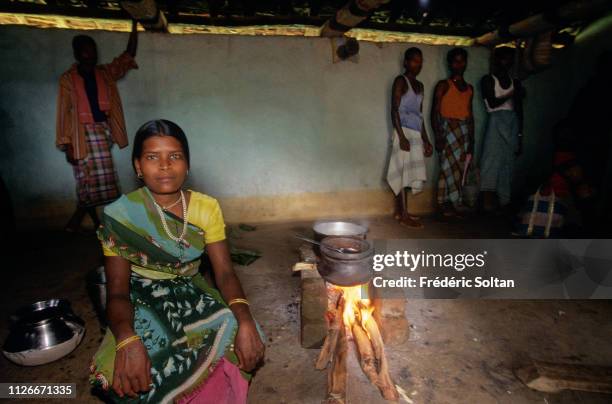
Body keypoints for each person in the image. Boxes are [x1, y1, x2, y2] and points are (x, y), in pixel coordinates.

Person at [89, 120, 265, 403]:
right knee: (128, 367)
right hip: (141, 295)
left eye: (175, 156)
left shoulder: (206, 207)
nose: (164, 165)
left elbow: (225, 274)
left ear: (187, 164)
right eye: (152, 157)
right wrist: (126, 338)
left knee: (244, 332)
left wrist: (244, 318)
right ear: (137, 166)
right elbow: (118, 291)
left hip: (190, 286)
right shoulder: (120, 215)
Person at [56, 21, 138, 232]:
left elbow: (127, 56)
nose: (90, 55)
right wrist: (67, 145)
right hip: (79, 136)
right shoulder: (68, 79)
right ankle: (93, 222)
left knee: (104, 181)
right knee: (87, 182)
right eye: (85, 51)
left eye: (93, 51)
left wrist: (135, 25)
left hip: (101, 132)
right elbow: (64, 112)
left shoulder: (105, 73)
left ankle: (93, 222)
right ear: (77, 54)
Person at [387, 47, 433, 228]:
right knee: (401, 172)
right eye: (414, 60)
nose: (418, 64)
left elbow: (420, 116)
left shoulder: (420, 86)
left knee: (409, 173)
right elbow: (394, 110)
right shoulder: (400, 81)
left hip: (415, 132)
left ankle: (401, 212)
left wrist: (426, 139)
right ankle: (403, 214)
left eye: (420, 61)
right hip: (403, 132)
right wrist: (401, 136)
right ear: (406, 62)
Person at [479, 46, 524, 214]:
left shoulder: (515, 82)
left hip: (512, 124)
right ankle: (487, 202)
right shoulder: (488, 80)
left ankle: (504, 202)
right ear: (497, 60)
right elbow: (492, 104)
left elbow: (519, 111)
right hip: (496, 122)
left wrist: (520, 135)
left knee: (507, 163)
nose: (509, 62)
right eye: (505, 58)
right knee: (490, 161)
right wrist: (512, 94)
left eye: (511, 59)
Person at [431, 48, 474, 218]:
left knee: (459, 169)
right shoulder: (443, 85)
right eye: (456, 61)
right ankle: (442, 204)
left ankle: (454, 202)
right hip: (447, 130)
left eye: (462, 61)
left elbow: (471, 116)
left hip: (463, 133)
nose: (460, 64)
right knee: (445, 168)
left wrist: (472, 140)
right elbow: (434, 112)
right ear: (450, 63)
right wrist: (438, 135)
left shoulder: (470, 88)